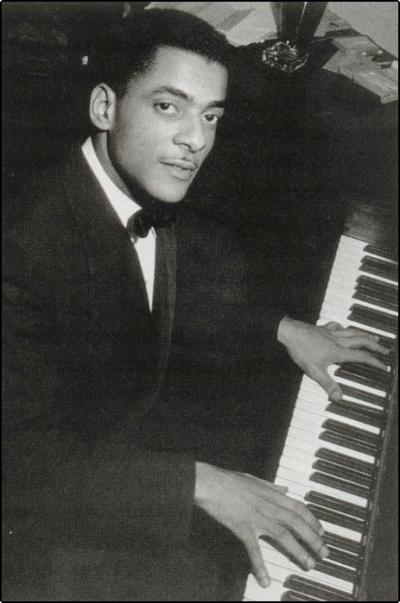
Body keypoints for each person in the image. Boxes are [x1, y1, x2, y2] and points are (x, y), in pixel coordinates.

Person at [2, 8, 388, 602]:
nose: (196, 139)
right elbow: (20, 467)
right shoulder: (22, 250)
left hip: (122, 443)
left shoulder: (134, 181)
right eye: (168, 106)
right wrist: (199, 484)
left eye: (211, 115)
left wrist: (281, 328)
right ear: (104, 107)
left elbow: (166, 279)